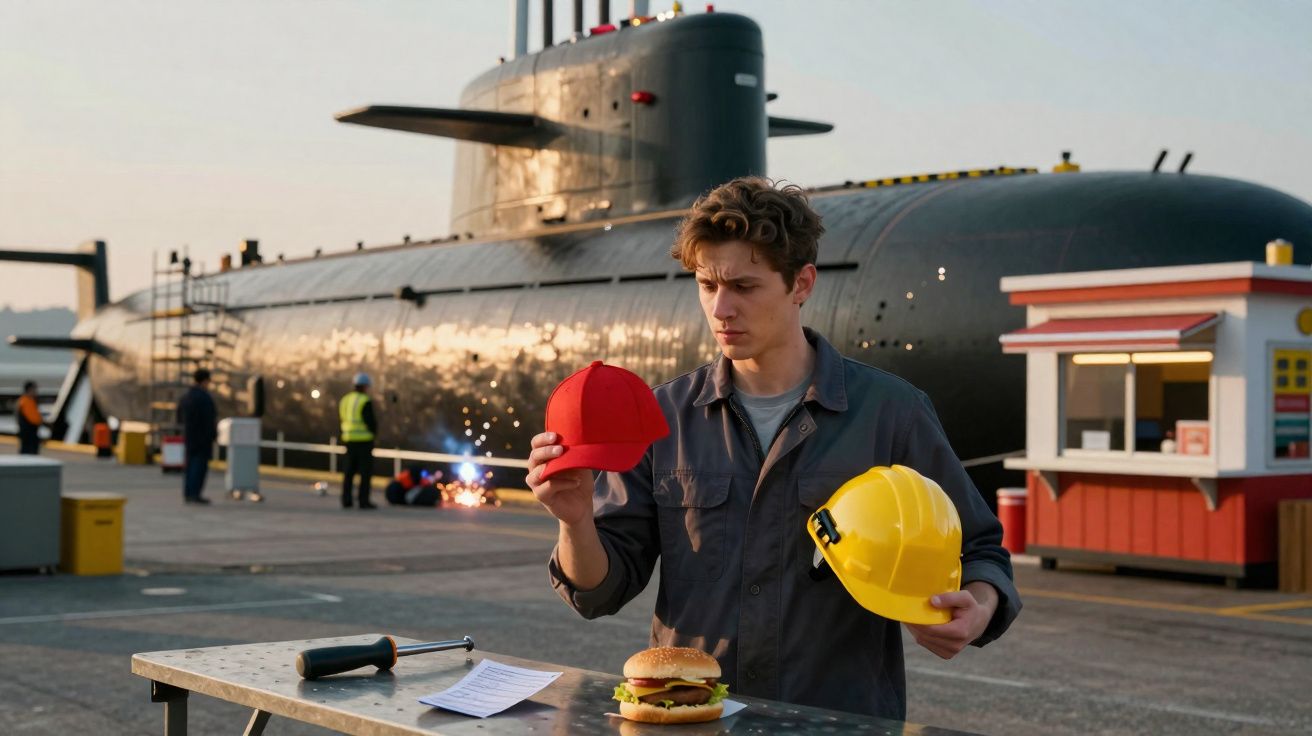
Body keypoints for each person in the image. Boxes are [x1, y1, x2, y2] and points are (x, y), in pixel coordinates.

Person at [527, 177, 1021, 720]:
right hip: (698, 724)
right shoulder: (664, 418)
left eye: (744, 286)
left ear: (801, 283)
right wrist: (575, 522)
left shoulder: (892, 413)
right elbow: (601, 592)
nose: (721, 308)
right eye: (707, 285)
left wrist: (977, 606)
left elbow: (979, 550)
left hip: (840, 725)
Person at [176, 368, 217, 504]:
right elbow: (209, 419)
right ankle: (195, 494)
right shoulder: (204, 398)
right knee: (199, 467)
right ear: (205, 381)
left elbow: (179, 416)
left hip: (190, 436)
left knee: (189, 466)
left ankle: (188, 493)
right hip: (202, 438)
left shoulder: (187, 396)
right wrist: (212, 435)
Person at [339, 372, 378, 509]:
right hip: (364, 441)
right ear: (365, 386)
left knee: (348, 472)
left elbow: (342, 418)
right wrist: (374, 434)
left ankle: (346, 499)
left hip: (349, 439)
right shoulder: (364, 400)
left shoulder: (345, 399)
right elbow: (370, 422)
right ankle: (363, 501)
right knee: (365, 472)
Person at [16, 381, 44, 455]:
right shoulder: (26, 401)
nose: (36, 391)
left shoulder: (27, 400)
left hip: (27, 433)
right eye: (34, 389)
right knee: (28, 454)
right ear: (30, 389)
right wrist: (43, 422)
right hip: (29, 434)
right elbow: (34, 418)